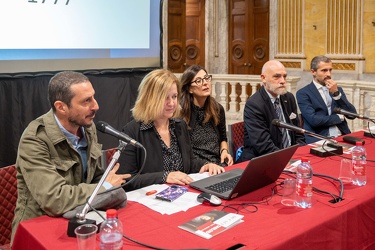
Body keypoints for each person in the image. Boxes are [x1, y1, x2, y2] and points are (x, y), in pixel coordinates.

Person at [11, 71, 130, 244]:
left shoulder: (87, 127)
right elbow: (54, 199)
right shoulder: (35, 139)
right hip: (39, 228)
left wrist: (105, 185)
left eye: (93, 97)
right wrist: (105, 186)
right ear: (61, 107)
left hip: (80, 218)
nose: (96, 106)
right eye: (86, 101)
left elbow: (95, 177)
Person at [117, 68, 225, 191]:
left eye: (174, 96)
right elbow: (125, 179)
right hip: (150, 200)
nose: (172, 103)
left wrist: (206, 165)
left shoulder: (179, 125)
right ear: (150, 98)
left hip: (181, 195)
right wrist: (164, 176)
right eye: (165, 98)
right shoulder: (132, 132)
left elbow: (189, 162)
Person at [237, 60, 305, 163]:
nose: (282, 81)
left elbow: (298, 132)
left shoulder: (289, 98)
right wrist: (288, 161)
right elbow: (263, 146)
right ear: (263, 78)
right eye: (277, 77)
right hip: (262, 161)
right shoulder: (254, 104)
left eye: (284, 76)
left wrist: (300, 153)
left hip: (292, 158)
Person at [180, 64, 234, 167]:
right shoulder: (182, 114)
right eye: (198, 81)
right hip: (197, 168)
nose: (205, 83)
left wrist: (224, 151)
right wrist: (206, 165)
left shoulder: (217, 109)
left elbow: (223, 138)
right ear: (189, 89)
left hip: (218, 164)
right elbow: (184, 153)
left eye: (206, 78)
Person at [296, 56, 357, 143]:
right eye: (324, 70)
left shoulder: (337, 90)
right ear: (313, 72)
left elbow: (352, 115)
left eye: (330, 70)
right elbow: (314, 120)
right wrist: (338, 118)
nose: (328, 74)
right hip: (319, 138)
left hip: (342, 136)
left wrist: (336, 94)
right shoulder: (303, 93)